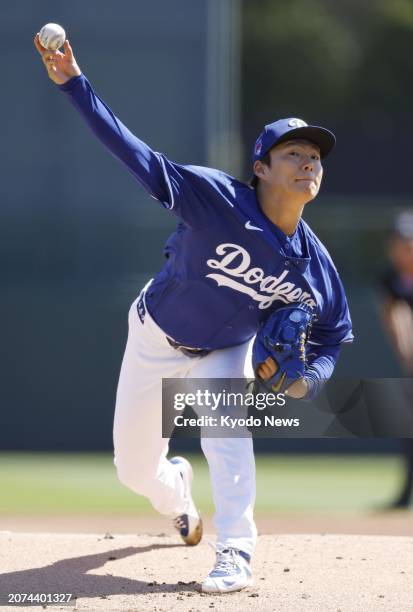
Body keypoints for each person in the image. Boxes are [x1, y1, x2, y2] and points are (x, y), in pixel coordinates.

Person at [34, 34, 353, 594]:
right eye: (294, 154)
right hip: (155, 336)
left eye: (315, 157)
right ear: (261, 166)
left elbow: (334, 337)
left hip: (226, 350)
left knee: (227, 435)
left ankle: (235, 550)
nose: (308, 163)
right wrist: (73, 86)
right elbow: (133, 153)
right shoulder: (215, 199)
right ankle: (177, 495)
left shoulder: (314, 267)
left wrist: (309, 380)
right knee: (134, 471)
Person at [380, 211, 413, 509]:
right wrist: (406, 354)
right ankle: (404, 496)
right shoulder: (392, 278)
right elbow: (393, 316)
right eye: (401, 244)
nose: (404, 249)